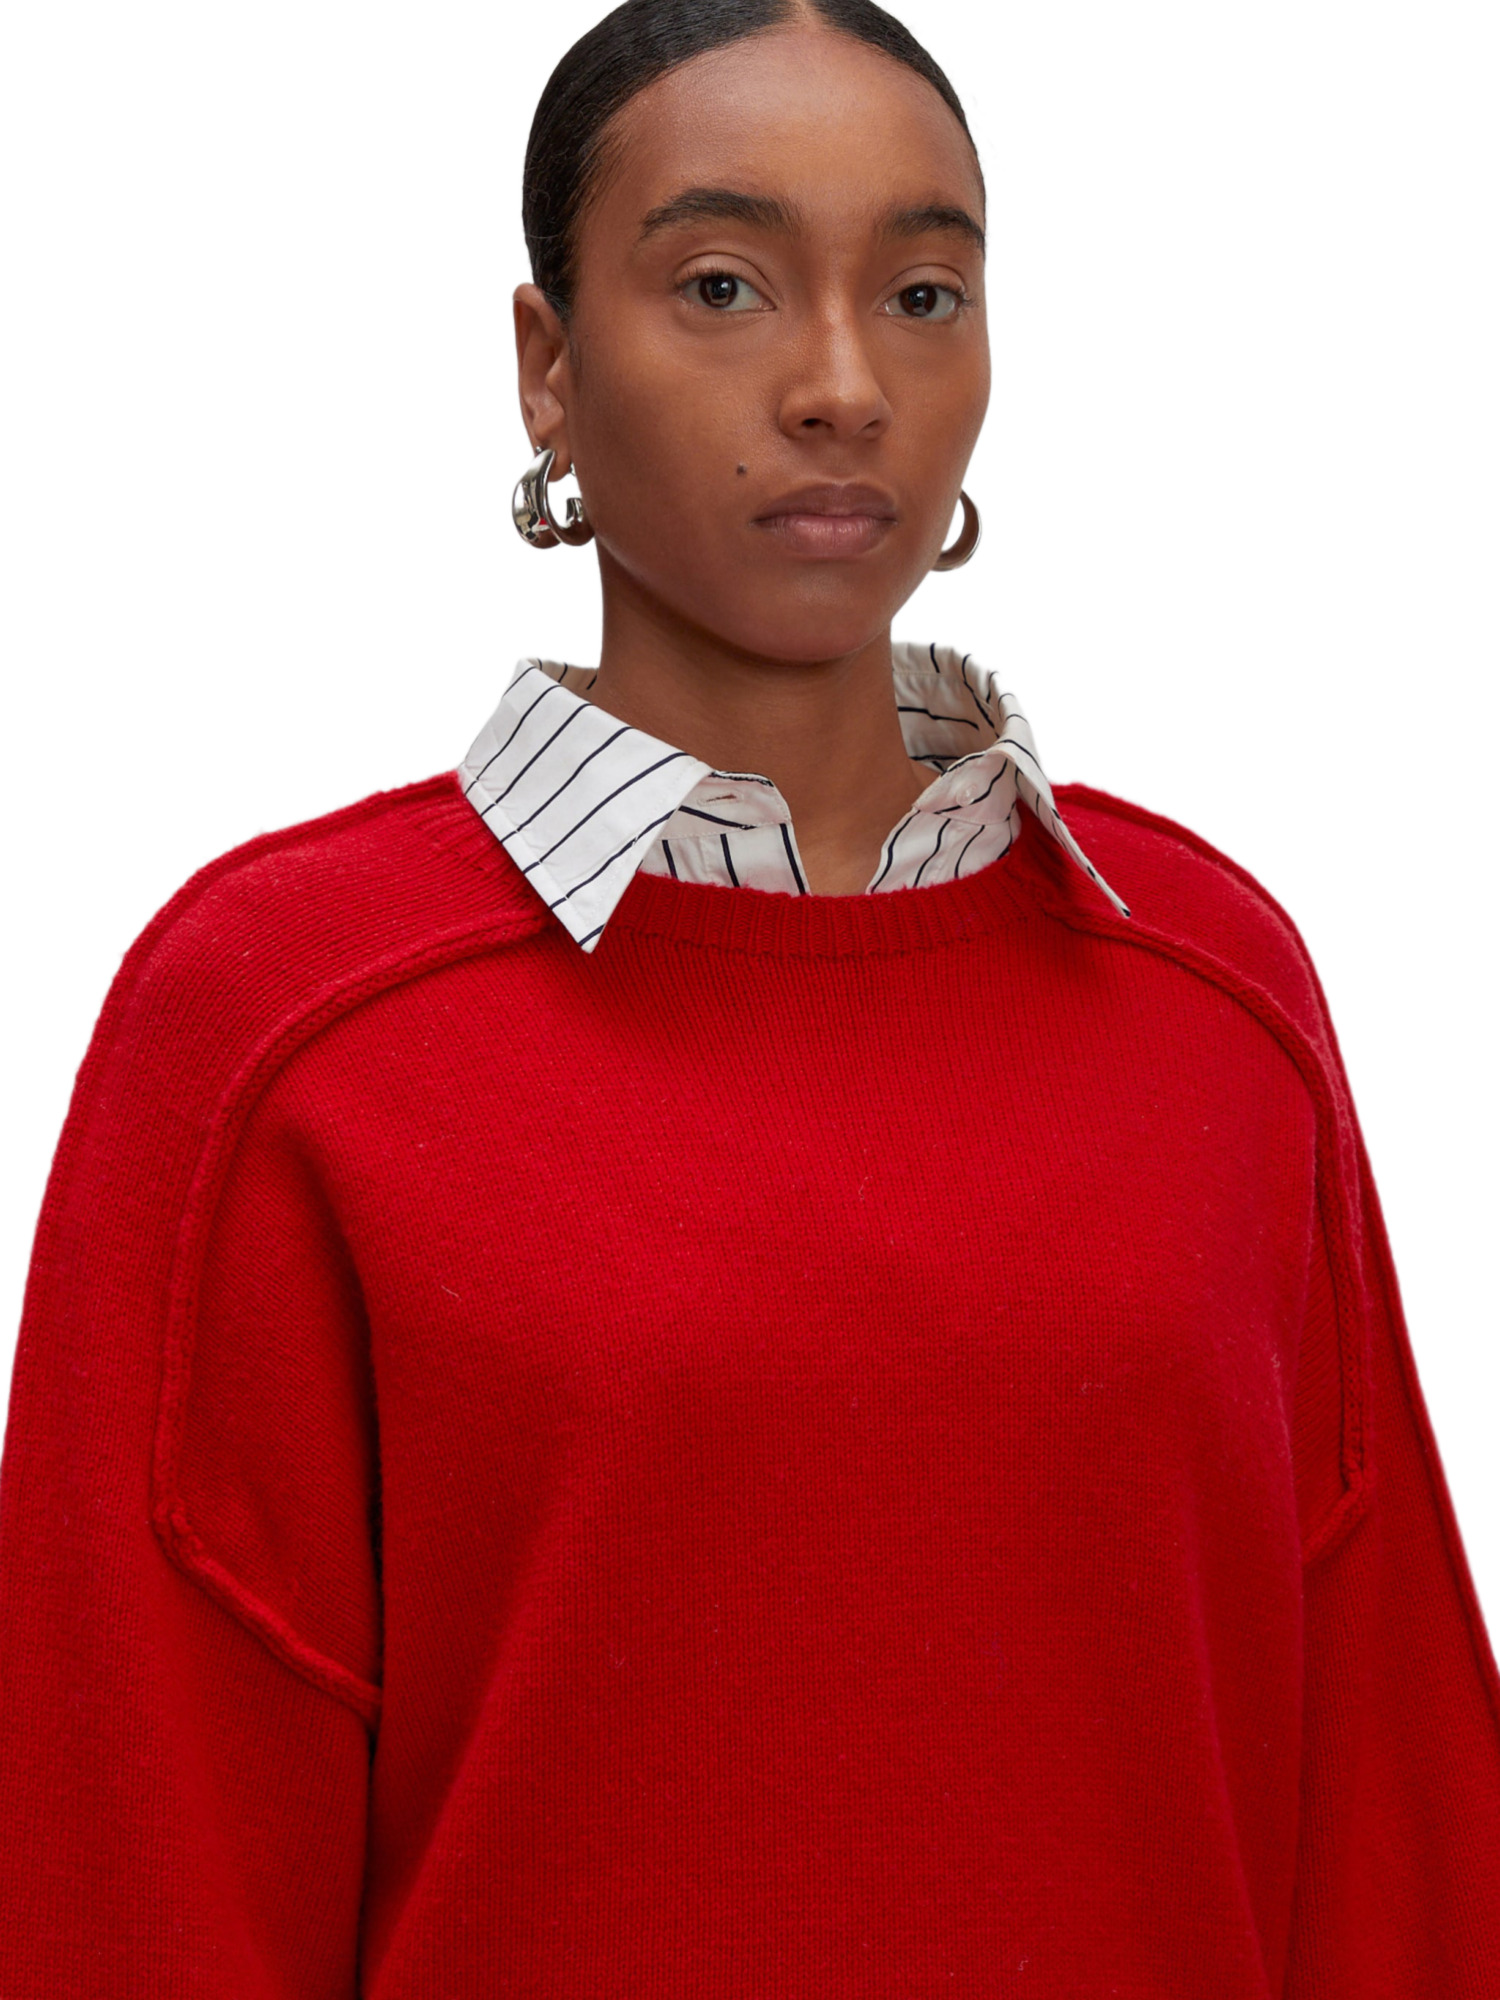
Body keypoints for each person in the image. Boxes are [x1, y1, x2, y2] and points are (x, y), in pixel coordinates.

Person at [2, 0, 1498, 1991]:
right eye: (723, 285)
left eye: (923, 294)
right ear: (547, 366)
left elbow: (1398, 1832)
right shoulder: (281, 1023)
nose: (842, 384)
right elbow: (130, 1859)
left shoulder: (1213, 988)